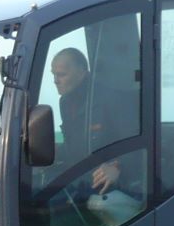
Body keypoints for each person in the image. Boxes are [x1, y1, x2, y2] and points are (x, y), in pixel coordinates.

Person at [49, 46, 136, 195]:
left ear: (82, 72)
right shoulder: (65, 102)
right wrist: (51, 152)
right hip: (81, 177)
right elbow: (77, 147)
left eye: (61, 74)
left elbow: (136, 144)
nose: (55, 81)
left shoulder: (111, 99)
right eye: (54, 75)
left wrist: (118, 167)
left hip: (113, 184)